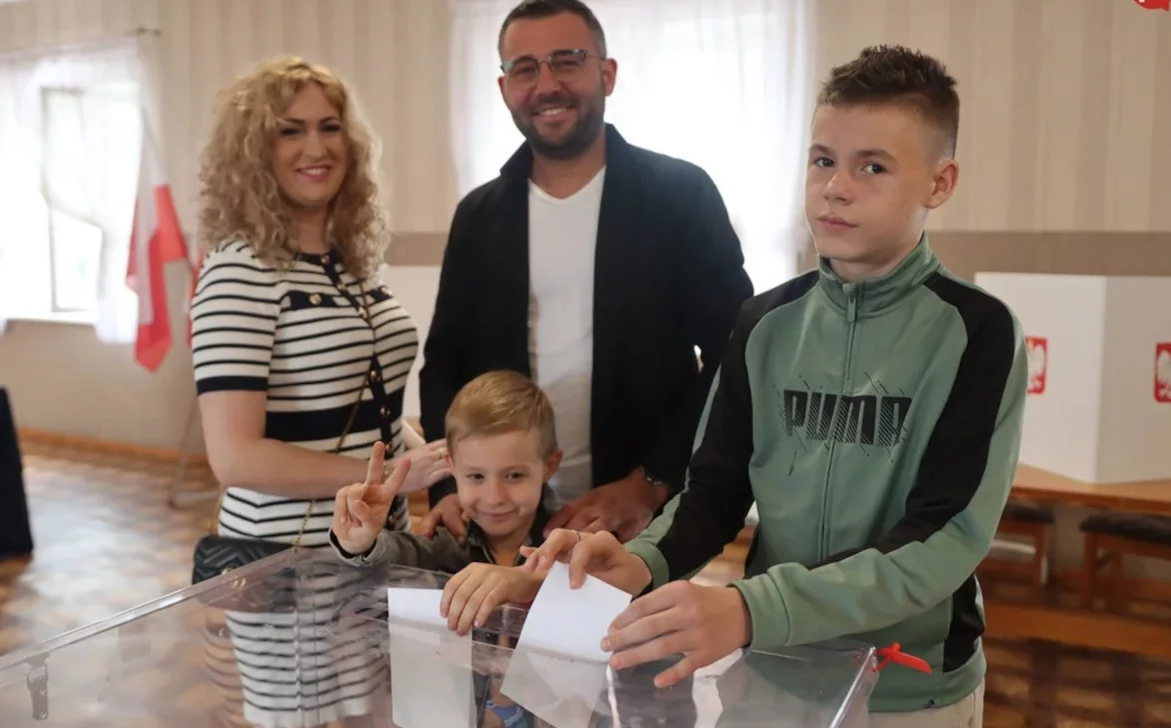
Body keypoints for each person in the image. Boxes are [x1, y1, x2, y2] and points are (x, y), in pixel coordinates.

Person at [523, 45, 1029, 728]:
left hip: (908, 690)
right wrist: (640, 563)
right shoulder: (764, 323)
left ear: (939, 184)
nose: (836, 187)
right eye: (822, 160)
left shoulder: (978, 333)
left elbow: (942, 539)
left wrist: (750, 608)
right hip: (767, 667)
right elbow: (715, 492)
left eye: (872, 167)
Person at [417, 0, 753, 544]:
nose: (547, 84)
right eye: (525, 68)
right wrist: (447, 485)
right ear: (504, 88)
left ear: (607, 74)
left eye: (567, 61)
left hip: (640, 521)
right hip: (504, 521)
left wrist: (652, 481)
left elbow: (734, 352)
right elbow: (444, 366)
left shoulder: (679, 196)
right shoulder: (479, 215)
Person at [189, 56, 449, 728]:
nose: (316, 146)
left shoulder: (350, 264)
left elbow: (368, 407)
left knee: (377, 713)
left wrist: (431, 456)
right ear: (253, 151)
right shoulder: (239, 271)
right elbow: (235, 457)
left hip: (371, 539)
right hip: (287, 557)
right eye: (290, 130)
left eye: (330, 127)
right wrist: (391, 477)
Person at [331, 370, 561, 635]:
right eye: (476, 476)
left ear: (549, 466)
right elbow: (400, 554)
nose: (494, 498)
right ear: (452, 467)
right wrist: (361, 543)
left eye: (514, 476)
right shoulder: (449, 542)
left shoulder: (572, 545)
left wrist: (531, 582)